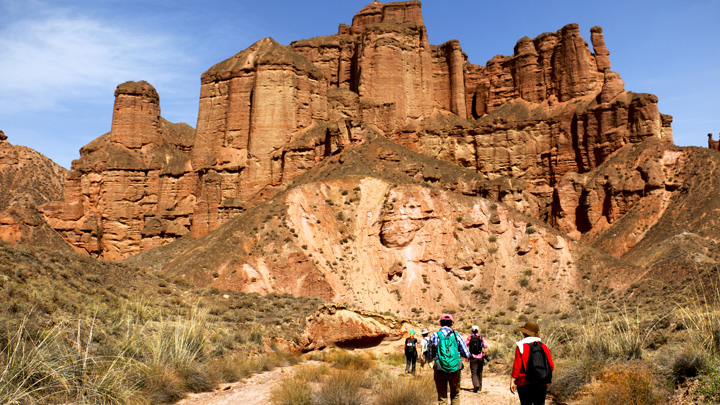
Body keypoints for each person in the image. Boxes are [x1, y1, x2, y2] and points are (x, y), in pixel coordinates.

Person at [510, 321, 554, 405]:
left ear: (525, 333)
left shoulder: (521, 346)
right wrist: (543, 375)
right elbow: (551, 365)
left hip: (524, 382)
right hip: (541, 382)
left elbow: (517, 366)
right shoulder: (543, 346)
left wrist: (513, 380)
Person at [430, 314, 470, 405]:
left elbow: (430, 354)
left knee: (442, 396)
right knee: (455, 394)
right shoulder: (457, 336)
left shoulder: (434, 336)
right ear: (451, 323)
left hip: (439, 368)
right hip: (454, 369)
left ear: (440, 323)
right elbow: (467, 354)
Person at [465, 325, 488, 393]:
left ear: (471, 331)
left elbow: (465, 345)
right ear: (478, 331)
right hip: (480, 357)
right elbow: (486, 346)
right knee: (479, 372)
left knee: (474, 372)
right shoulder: (481, 338)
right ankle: (480, 387)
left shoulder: (469, 338)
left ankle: (476, 385)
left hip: (473, 357)